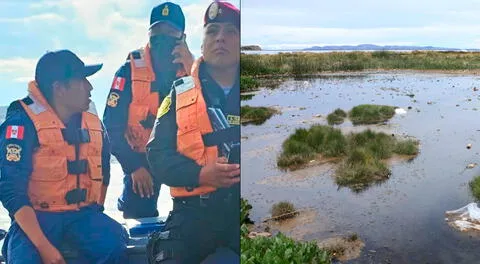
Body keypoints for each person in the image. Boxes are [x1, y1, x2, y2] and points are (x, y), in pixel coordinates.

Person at [0, 50, 128, 264]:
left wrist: (94, 214)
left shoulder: (94, 125)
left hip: (82, 216)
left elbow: (103, 174)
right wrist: (44, 247)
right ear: (59, 88)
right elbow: (10, 189)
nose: (90, 87)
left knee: (114, 244)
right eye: (82, 80)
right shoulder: (22, 122)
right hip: (35, 218)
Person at [145, 1, 240, 263]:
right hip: (192, 215)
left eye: (231, 31)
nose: (220, 38)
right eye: (212, 31)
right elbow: (157, 154)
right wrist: (201, 174)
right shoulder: (179, 92)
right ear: (202, 44)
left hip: (242, 213)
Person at [103, 1, 194, 219]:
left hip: (183, 157)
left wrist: (193, 70)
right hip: (141, 160)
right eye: (156, 31)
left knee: (193, 216)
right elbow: (111, 128)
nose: (162, 37)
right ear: (149, 33)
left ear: (182, 37)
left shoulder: (195, 70)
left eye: (170, 31)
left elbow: (212, 111)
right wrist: (133, 167)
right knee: (138, 215)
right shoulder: (128, 71)